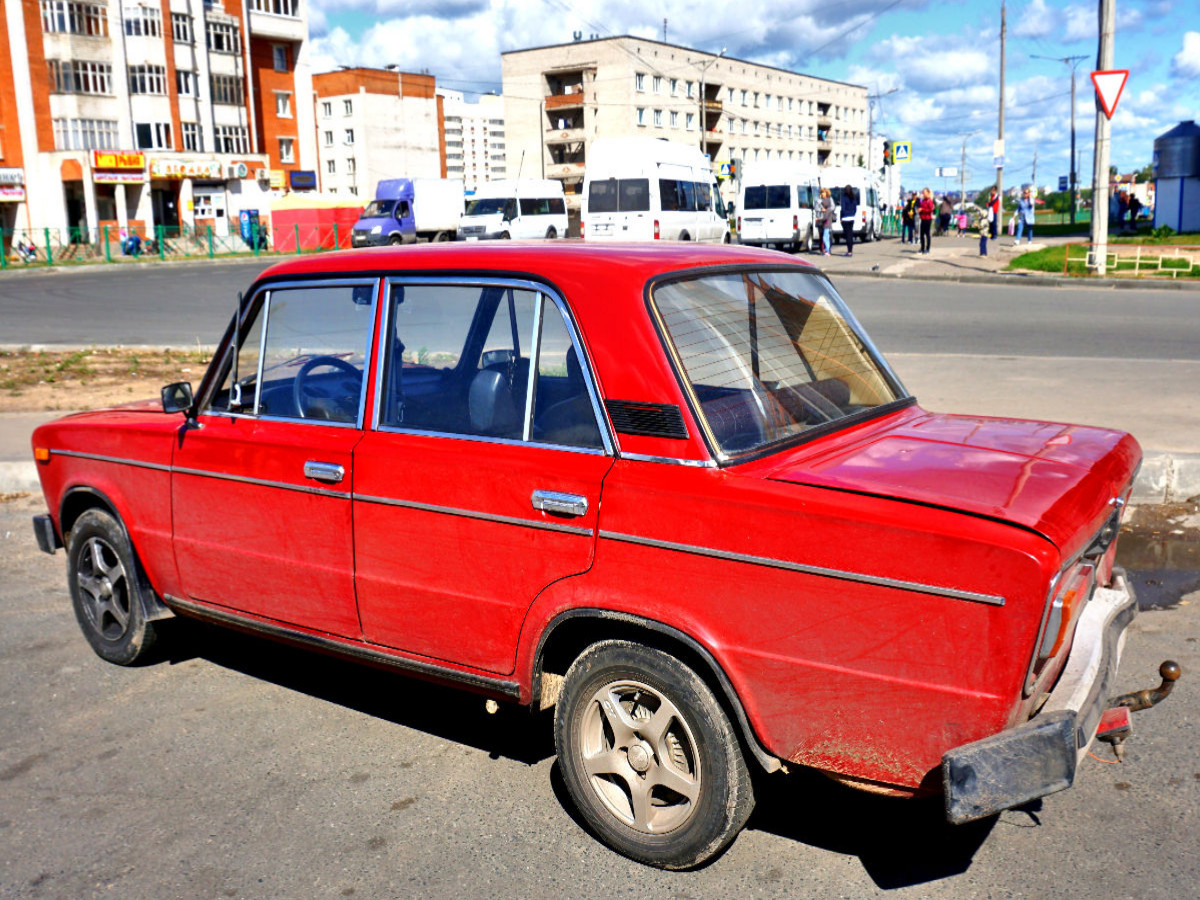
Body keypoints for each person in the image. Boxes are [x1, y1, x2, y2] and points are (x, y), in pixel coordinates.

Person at [839, 184, 858, 256]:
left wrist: (842, 216)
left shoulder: (844, 198)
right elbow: (855, 208)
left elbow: (843, 209)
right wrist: (852, 213)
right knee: (850, 235)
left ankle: (849, 252)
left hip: (845, 218)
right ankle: (850, 250)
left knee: (847, 235)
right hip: (852, 218)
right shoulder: (853, 198)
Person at [917, 187, 935, 254]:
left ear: (928, 193)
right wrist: (919, 210)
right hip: (922, 218)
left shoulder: (929, 201)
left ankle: (927, 249)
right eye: (922, 193)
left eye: (924, 193)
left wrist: (923, 210)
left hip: (927, 219)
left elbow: (930, 210)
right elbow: (921, 207)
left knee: (927, 234)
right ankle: (922, 248)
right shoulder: (923, 201)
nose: (923, 194)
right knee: (921, 234)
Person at [818, 187, 835, 255]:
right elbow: (817, 208)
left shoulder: (829, 200)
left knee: (825, 236)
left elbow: (832, 208)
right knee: (823, 236)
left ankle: (828, 250)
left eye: (824, 192)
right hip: (821, 221)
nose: (823, 194)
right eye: (822, 193)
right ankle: (824, 250)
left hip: (826, 220)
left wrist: (825, 210)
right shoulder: (820, 200)